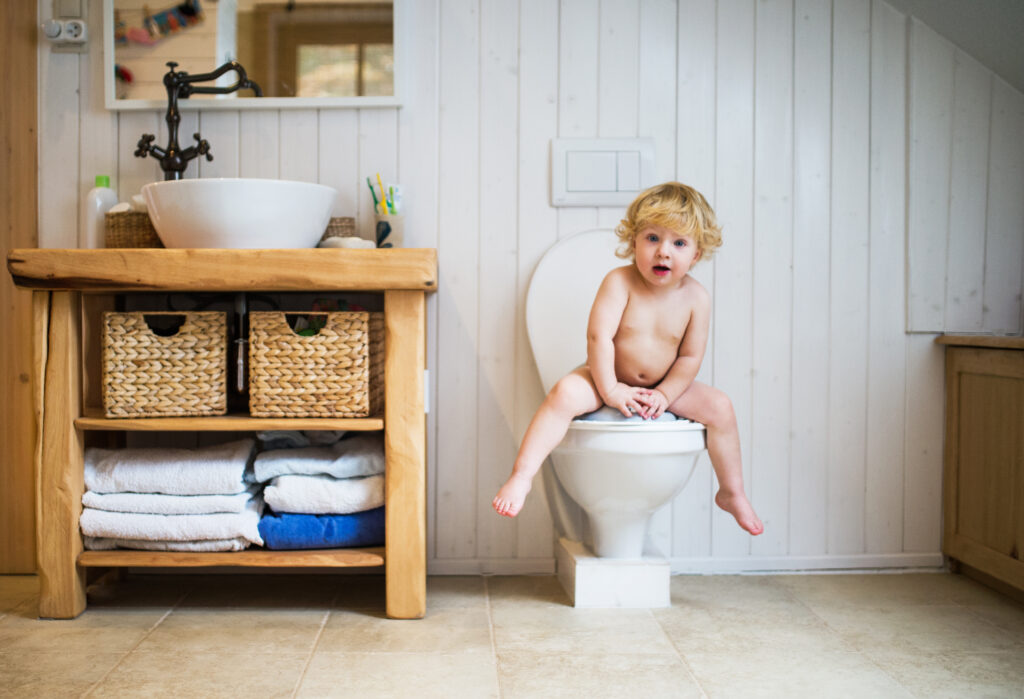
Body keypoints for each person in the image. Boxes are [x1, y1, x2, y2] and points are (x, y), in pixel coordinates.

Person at [492, 182, 763, 536]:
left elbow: (689, 356)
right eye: (652, 238)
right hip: (605, 375)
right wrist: (610, 390)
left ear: (696, 254)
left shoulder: (697, 298)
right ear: (633, 241)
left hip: (664, 385)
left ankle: (732, 491)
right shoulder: (619, 282)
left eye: (678, 243)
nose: (663, 252)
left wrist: (665, 395)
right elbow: (599, 338)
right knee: (563, 395)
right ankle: (521, 476)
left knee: (721, 407)